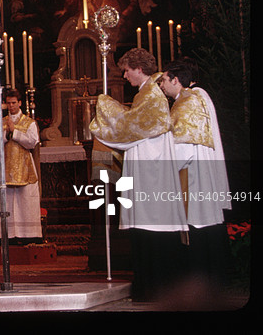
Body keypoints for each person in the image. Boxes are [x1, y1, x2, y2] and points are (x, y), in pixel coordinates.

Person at [89, 47, 188, 301]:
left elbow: (130, 126)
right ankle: (148, 285)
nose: (124, 76)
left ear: (140, 69)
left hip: (152, 171)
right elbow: (133, 124)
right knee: (145, 226)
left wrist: (105, 105)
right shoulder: (146, 93)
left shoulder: (151, 94)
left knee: (151, 226)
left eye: (127, 71)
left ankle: (155, 287)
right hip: (146, 165)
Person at [160, 58, 231, 291]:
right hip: (201, 171)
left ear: (176, 80)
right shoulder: (197, 96)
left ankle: (200, 283)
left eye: (164, 80)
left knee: (197, 223)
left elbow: (184, 146)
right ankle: (215, 280)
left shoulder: (187, 102)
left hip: (193, 174)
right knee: (207, 222)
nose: (162, 85)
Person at [0, 89, 42, 244]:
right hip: (5, 167)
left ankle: (28, 235)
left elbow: (32, 142)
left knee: (25, 201)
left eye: (14, 103)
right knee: (8, 201)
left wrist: (15, 132)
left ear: (20, 103)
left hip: (24, 166)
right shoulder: (0, 122)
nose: (11, 106)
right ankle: (8, 235)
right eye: (8, 103)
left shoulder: (29, 122)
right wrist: (6, 134)